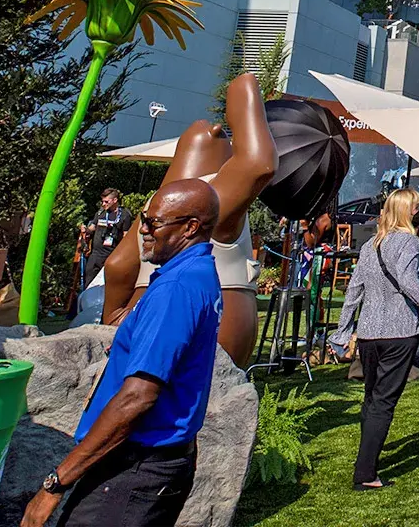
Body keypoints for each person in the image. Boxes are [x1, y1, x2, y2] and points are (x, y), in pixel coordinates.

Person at [21, 180, 223, 527]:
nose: (142, 229)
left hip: (135, 469)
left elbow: (138, 398)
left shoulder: (176, 287)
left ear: (191, 227)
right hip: (148, 464)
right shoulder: (194, 272)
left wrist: (55, 484)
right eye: (143, 218)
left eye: (153, 223)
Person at [101, 74, 276, 365]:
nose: (217, 128)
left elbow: (117, 266)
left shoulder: (156, 206)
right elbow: (259, 163)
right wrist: (244, 87)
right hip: (209, 320)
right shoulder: (207, 198)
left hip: (144, 306)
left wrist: (115, 316)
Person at [329, 190, 419, 490]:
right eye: (417, 207)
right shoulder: (409, 242)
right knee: (383, 403)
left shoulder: (369, 245)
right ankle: (365, 474)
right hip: (398, 332)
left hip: (369, 334)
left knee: (372, 398)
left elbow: (353, 291)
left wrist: (342, 331)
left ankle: (366, 459)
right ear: (406, 212)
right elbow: (408, 281)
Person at [79, 188, 128, 285]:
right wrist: (86, 230)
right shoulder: (100, 213)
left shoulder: (124, 215)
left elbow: (126, 236)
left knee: (106, 284)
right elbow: (92, 227)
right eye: (103, 201)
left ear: (115, 200)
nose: (103, 204)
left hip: (111, 256)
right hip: (95, 255)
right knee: (89, 282)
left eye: (106, 201)